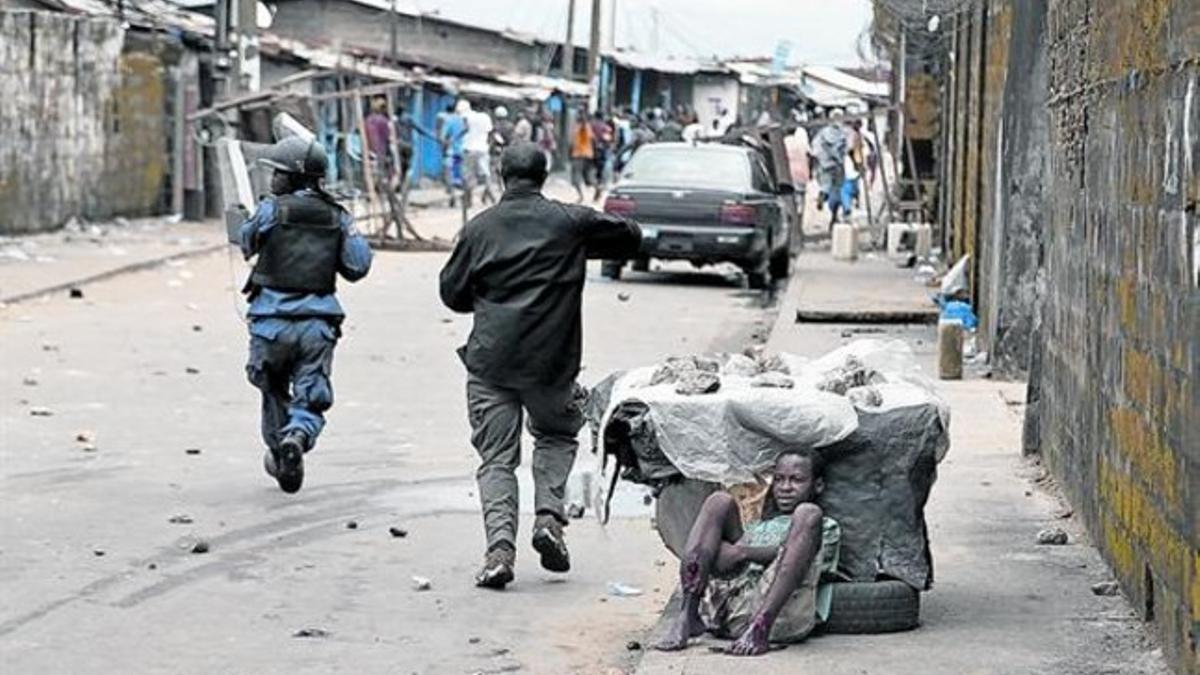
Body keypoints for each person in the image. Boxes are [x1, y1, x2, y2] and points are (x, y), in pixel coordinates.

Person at [438, 142, 642, 590]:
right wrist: (576, 248)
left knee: (496, 460)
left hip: (491, 362)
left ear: (500, 173)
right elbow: (631, 234)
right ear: (545, 174)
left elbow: (451, 295)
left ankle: (499, 553)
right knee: (555, 434)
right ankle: (548, 519)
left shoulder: (479, 228)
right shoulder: (569, 221)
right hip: (552, 366)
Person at [238, 137, 373, 493]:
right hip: (316, 326)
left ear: (297, 177)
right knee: (310, 393)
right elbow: (358, 266)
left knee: (271, 387)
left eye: (279, 173)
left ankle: (280, 448)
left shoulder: (271, 210)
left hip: (269, 325)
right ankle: (297, 436)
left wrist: (247, 220)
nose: (273, 180)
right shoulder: (339, 217)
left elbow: (246, 242)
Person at [656, 449, 840, 656]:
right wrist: (735, 553)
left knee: (808, 512)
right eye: (779, 479)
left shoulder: (824, 526)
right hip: (728, 613)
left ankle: (759, 628)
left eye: (796, 480)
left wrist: (743, 553)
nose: (785, 488)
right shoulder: (758, 527)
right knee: (719, 501)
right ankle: (688, 614)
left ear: (817, 486)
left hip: (779, 617)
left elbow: (798, 559)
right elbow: (725, 561)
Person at [811, 109, 848, 226]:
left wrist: (821, 161)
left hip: (825, 165)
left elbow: (815, 149)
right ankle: (834, 216)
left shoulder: (822, 133)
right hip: (837, 166)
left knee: (826, 185)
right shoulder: (843, 134)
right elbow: (845, 150)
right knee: (837, 191)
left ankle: (823, 194)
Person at [460, 99, 496, 206]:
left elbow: (465, 130)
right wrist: (489, 146)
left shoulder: (467, 117)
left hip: (469, 149)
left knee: (468, 175)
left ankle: (468, 200)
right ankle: (492, 198)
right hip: (482, 149)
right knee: (486, 174)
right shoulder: (486, 117)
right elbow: (491, 133)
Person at [441, 102, 468, 206]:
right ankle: (464, 195)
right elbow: (466, 131)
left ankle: (452, 196)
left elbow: (443, 137)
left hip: (450, 152)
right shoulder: (462, 120)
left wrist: (444, 146)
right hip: (461, 151)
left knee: (449, 174)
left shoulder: (448, 121)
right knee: (461, 174)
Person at [569, 107, 595, 202]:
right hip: (580, 154)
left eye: (579, 114)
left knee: (575, 177)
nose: (577, 115)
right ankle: (595, 188)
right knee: (585, 177)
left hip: (580, 154)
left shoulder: (584, 126)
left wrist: (583, 114)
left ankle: (581, 197)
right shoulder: (580, 126)